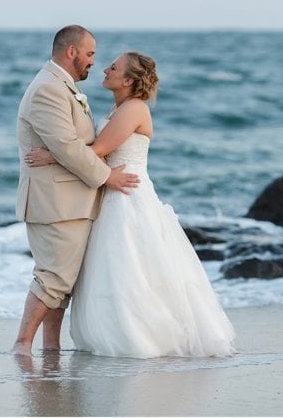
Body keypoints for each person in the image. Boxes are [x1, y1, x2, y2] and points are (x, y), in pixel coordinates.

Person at [25, 51, 236, 358]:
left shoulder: (134, 108)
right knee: (114, 269)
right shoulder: (121, 107)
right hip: (113, 193)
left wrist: (50, 155)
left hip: (127, 197)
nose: (105, 69)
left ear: (127, 80)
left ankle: (137, 335)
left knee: (130, 268)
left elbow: (98, 149)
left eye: (114, 67)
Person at [13, 25, 139, 356]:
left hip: (70, 202)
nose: (93, 63)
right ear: (71, 52)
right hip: (54, 202)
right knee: (53, 278)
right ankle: (21, 345)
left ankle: (50, 347)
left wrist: (58, 155)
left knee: (63, 284)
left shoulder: (63, 86)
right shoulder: (47, 90)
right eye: (90, 54)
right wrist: (107, 177)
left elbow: (74, 145)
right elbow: (69, 147)